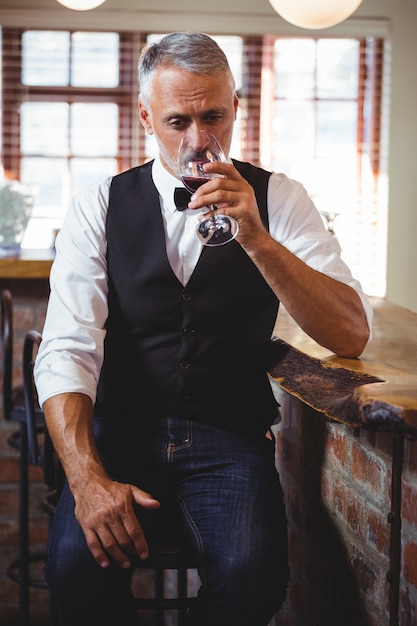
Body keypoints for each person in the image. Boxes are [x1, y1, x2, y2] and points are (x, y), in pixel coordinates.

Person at [34, 32, 372, 626]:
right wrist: (86, 479)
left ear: (236, 105)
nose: (198, 142)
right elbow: (68, 349)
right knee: (71, 569)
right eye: (177, 121)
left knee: (253, 582)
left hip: (228, 437)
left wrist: (258, 240)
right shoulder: (99, 205)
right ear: (146, 116)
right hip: (121, 433)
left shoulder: (281, 198)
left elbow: (349, 334)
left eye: (213, 116)